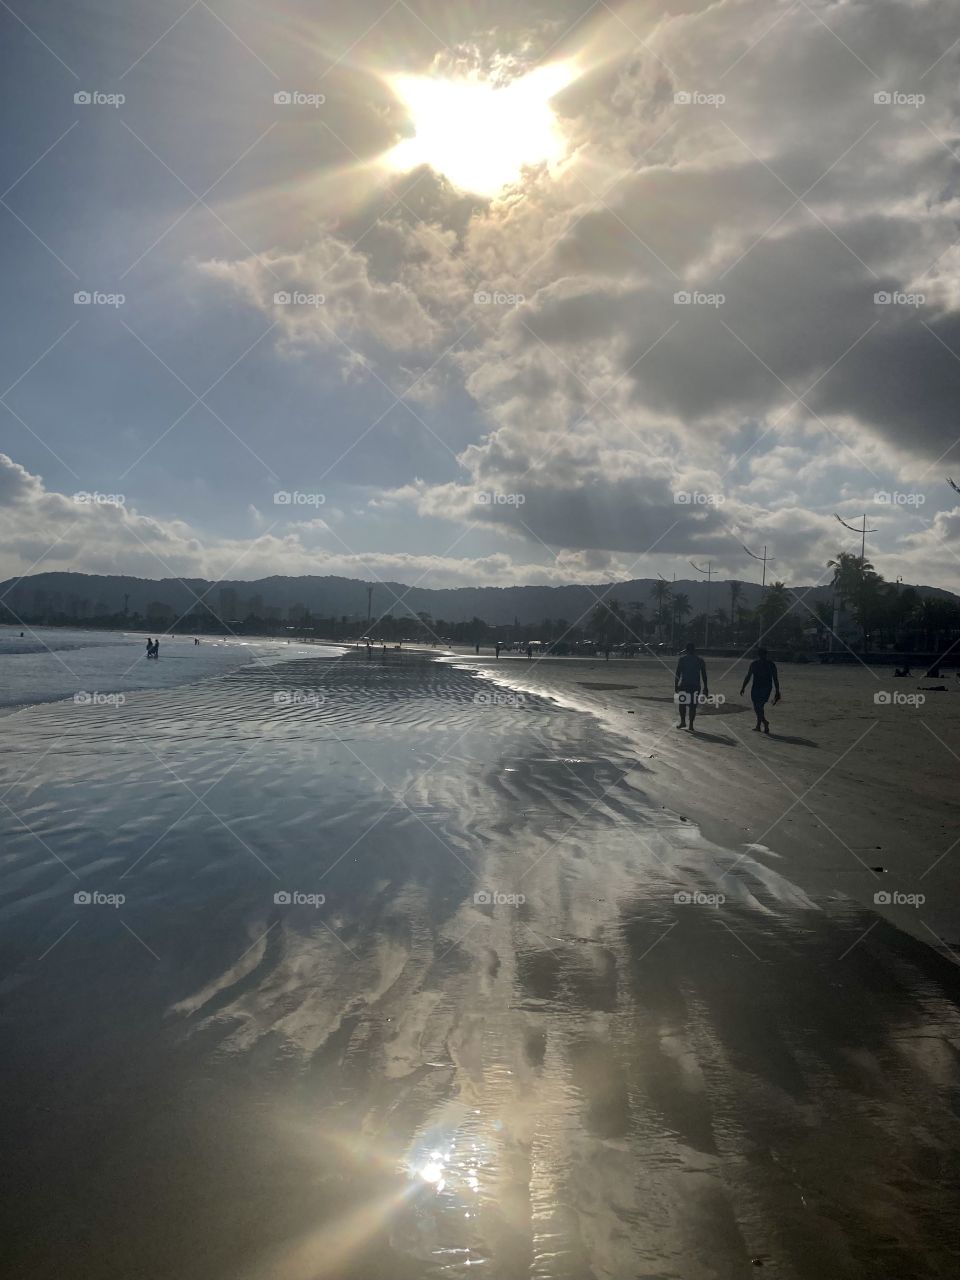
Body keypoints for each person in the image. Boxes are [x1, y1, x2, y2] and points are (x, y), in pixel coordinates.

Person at [740, 647, 780, 733]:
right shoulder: (755, 664)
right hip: (756, 687)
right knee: (757, 707)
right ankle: (759, 725)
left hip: (765, 688)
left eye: (763, 655)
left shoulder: (770, 665)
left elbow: (775, 678)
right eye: (761, 655)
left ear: (765, 655)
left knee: (759, 706)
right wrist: (743, 687)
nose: (762, 656)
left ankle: (765, 723)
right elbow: (748, 676)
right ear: (759, 655)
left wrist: (777, 691)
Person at [674, 642, 708, 731]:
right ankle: (691, 725)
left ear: (686, 650)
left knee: (682, 705)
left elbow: (678, 673)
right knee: (693, 706)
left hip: (684, 685)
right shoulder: (700, 660)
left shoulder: (682, 659)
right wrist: (706, 686)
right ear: (694, 650)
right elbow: (704, 675)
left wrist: (676, 685)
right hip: (695, 686)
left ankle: (683, 722)